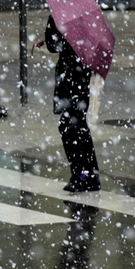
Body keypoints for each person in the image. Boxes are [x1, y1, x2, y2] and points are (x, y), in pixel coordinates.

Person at [41, 15, 99, 193]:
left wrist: (52, 31)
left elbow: (55, 45)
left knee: (71, 126)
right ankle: (88, 175)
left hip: (73, 76)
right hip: (76, 75)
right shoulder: (81, 18)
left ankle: (83, 175)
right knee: (74, 126)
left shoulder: (65, 18)